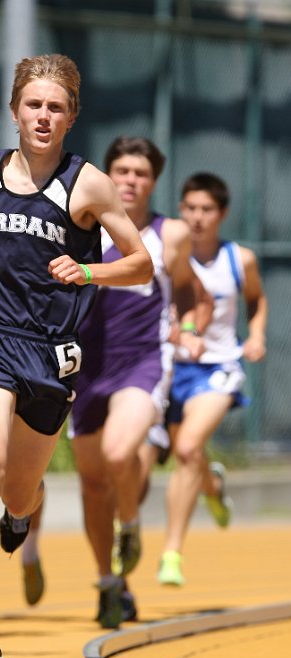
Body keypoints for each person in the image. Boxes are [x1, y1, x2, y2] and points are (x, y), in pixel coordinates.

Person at [0, 54, 153, 658]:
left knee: (19, 491)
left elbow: (142, 264)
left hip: (50, 355)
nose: (43, 116)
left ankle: (21, 519)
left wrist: (88, 269)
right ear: (14, 110)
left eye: (56, 107)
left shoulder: (88, 185)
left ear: (71, 116)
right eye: (34, 105)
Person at [70, 136, 212, 629]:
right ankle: (109, 584)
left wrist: (190, 330)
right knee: (91, 483)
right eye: (122, 171)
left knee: (117, 454)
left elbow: (195, 296)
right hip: (84, 367)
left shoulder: (168, 234)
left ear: (154, 181)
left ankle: (129, 523)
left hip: (142, 362)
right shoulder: (80, 220)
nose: (130, 181)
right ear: (106, 177)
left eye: (141, 173)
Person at [157, 172, 267, 586]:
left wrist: (255, 334)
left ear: (222, 214)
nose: (198, 217)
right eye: (190, 208)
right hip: (174, 366)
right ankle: (213, 487)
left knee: (186, 447)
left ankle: (172, 553)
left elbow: (256, 298)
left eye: (207, 210)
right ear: (181, 210)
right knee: (184, 453)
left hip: (219, 366)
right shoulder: (168, 254)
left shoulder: (240, 260)